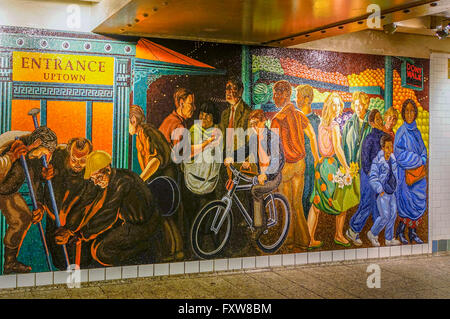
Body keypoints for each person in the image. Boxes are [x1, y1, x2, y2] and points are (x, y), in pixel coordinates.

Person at [53, 151, 162, 267]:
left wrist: (81, 234)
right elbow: (84, 203)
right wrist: (69, 228)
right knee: (95, 247)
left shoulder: (122, 182)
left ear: (108, 170)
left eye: (98, 177)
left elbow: (108, 215)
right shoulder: (104, 179)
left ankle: (146, 251)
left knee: (101, 251)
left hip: (143, 224)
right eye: (93, 179)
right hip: (127, 221)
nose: (96, 182)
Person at [129, 104, 184, 261]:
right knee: (165, 217)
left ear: (133, 120)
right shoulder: (141, 134)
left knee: (165, 215)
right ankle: (175, 251)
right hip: (160, 179)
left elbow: (155, 160)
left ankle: (174, 251)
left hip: (164, 180)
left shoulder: (147, 132)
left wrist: (140, 180)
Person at [0, 127, 57, 274]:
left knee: (22, 218)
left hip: (7, 191)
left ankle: (10, 262)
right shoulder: (13, 145)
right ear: (36, 143)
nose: (43, 157)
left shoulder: (34, 157)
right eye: (42, 153)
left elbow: (35, 181)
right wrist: (12, 156)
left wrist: (38, 204)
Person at [270, 80, 319, 251]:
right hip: (300, 163)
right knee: (297, 203)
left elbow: (274, 149)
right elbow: (312, 136)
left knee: (286, 203)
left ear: (286, 95)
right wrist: (316, 157)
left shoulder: (276, 120)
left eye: (277, 93)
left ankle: (289, 238)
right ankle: (304, 239)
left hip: (286, 166)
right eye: (275, 93)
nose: (275, 96)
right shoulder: (299, 115)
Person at [36, 137, 97, 269]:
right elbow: (43, 181)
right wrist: (45, 175)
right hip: (54, 220)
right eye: (74, 159)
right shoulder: (58, 157)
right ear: (69, 153)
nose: (78, 164)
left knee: (80, 263)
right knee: (58, 261)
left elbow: (86, 205)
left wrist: (70, 229)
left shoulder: (93, 173)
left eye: (83, 160)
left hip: (77, 226)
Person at [225, 109, 285, 239]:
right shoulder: (254, 137)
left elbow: (277, 160)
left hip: (273, 176)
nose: (253, 127)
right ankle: (252, 219)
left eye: (256, 123)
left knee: (256, 191)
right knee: (247, 187)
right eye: (251, 124)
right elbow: (244, 150)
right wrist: (231, 157)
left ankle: (260, 226)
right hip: (260, 175)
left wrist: (267, 175)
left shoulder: (272, 137)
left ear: (264, 121)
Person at [307, 92, 354, 248]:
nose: (337, 107)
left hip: (321, 166)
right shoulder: (333, 126)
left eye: (339, 104)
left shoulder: (321, 123)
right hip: (332, 166)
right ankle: (339, 235)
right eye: (334, 104)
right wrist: (346, 167)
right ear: (327, 105)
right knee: (342, 201)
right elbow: (338, 149)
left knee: (316, 203)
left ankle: (309, 238)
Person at [346, 109, 387, 246]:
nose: (380, 121)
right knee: (367, 204)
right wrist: (372, 175)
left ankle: (374, 234)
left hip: (379, 176)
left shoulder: (384, 137)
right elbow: (365, 160)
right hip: (369, 176)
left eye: (381, 118)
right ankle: (353, 230)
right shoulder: (370, 138)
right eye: (377, 119)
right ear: (371, 122)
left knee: (378, 205)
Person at [182, 101, 222, 227]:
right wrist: (207, 143)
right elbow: (188, 154)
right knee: (192, 218)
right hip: (193, 182)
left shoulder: (217, 131)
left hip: (209, 185)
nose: (203, 117)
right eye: (201, 113)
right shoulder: (195, 130)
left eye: (207, 114)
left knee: (206, 221)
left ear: (214, 116)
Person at [394, 99, 427, 244]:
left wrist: (424, 157)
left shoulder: (417, 131)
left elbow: (423, 149)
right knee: (406, 203)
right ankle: (400, 231)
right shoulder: (402, 131)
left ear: (415, 113)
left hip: (418, 177)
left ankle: (412, 233)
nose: (409, 113)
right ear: (403, 113)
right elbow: (399, 153)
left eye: (411, 110)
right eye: (406, 111)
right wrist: (417, 159)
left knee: (416, 202)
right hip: (406, 176)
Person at [367, 135, 401, 246]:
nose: (390, 150)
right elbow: (373, 177)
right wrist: (379, 189)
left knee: (392, 215)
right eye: (387, 147)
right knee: (384, 216)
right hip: (383, 193)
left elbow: (396, 176)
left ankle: (389, 238)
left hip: (392, 192)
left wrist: (396, 188)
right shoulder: (377, 161)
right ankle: (372, 233)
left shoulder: (393, 159)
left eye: (391, 147)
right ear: (382, 148)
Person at [296, 85, 320, 219]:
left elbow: (314, 144)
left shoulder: (314, 120)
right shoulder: (298, 117)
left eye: (298, 97)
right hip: (299, 162)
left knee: (306, 195)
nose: (296, 100)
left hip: (309, 163)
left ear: (306, 99)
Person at [218, 76, 252, 154]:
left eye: (233, 88)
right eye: (227, 88)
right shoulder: (225, 114)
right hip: (225, 158)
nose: (228, 92)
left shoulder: (248, 113)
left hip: (240, 159)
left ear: (240, 92)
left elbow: (250, 143)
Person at [342, 91, 372, 167]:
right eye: (356, 105)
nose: (357, 109)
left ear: (365, 105)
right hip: (351, 168)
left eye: (360, 105)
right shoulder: (349, 124)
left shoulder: (372, 124)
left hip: (367, 169)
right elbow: (344, 146)